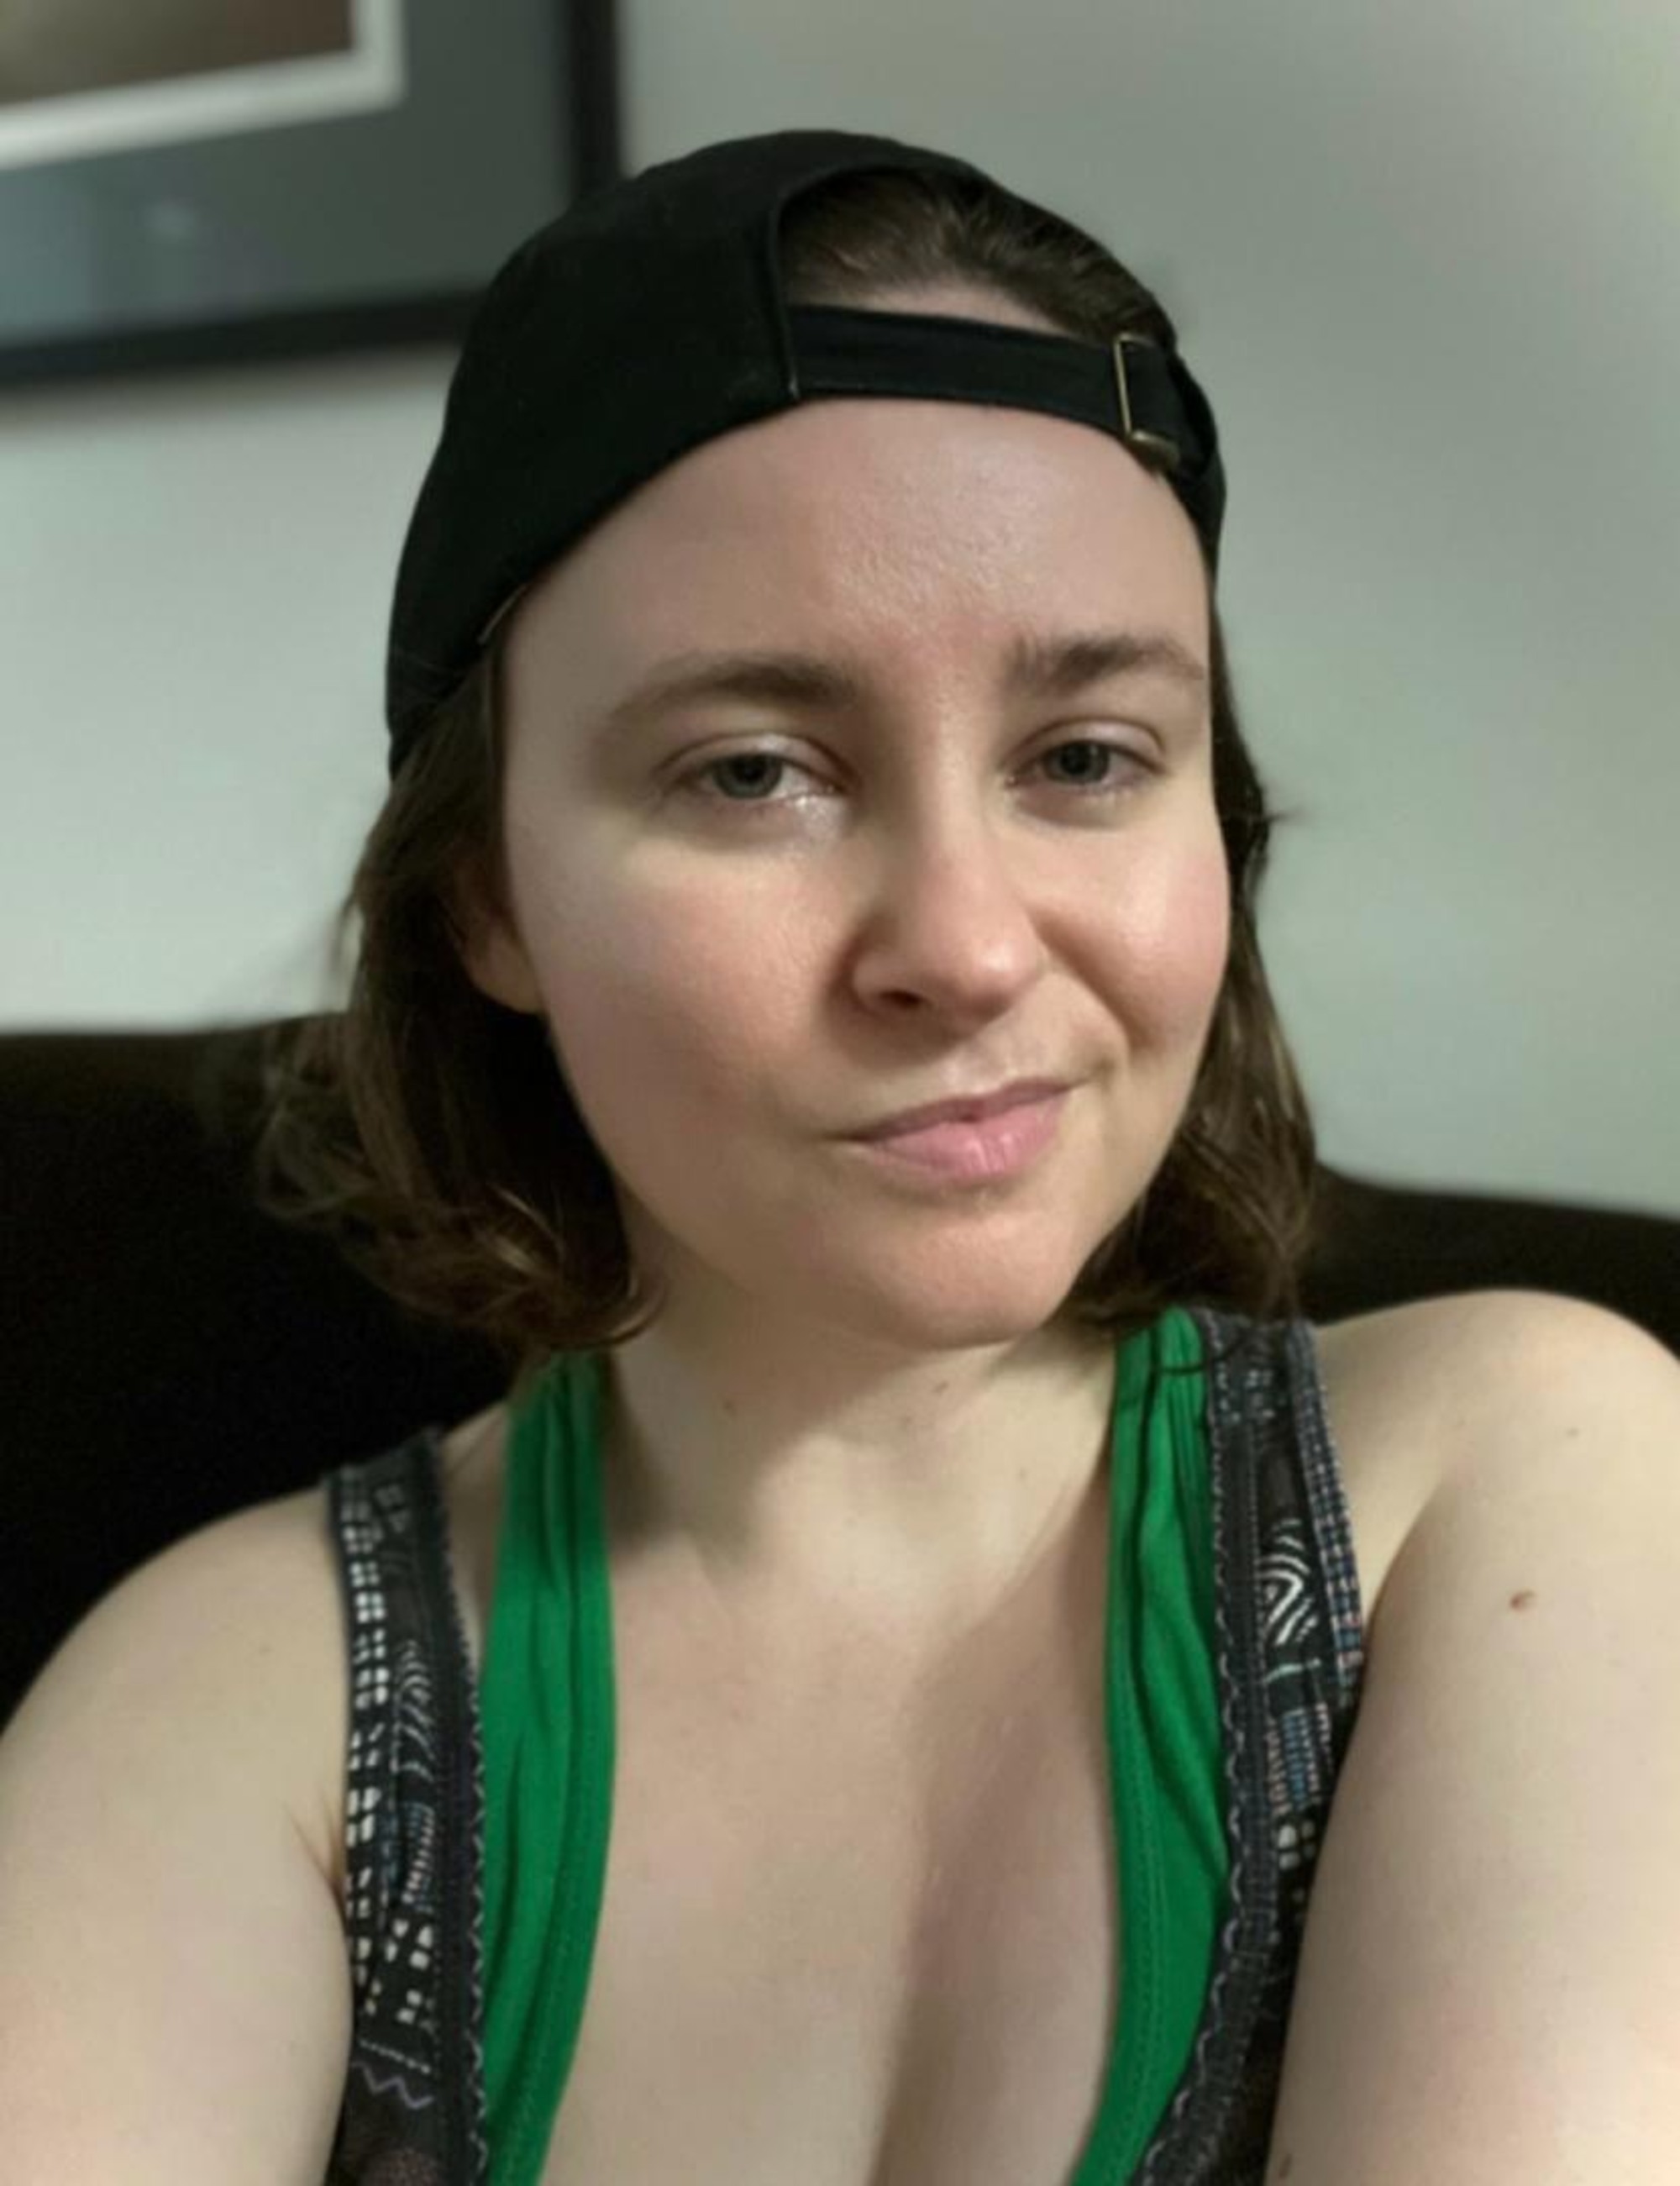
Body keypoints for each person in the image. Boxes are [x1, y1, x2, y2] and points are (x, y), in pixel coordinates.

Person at [6, 124, 1679, 2186]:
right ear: (487, 897)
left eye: (1085, 755)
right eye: (753, 772)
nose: (963, 946)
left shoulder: (1516, 1480)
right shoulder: (230, 1702)